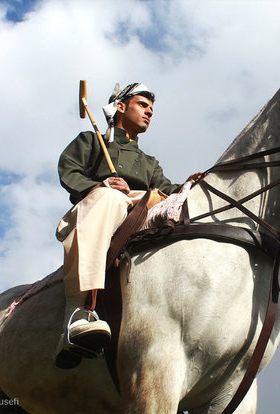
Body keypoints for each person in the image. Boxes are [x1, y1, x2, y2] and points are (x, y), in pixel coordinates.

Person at [55, 82, 202, 365]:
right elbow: (69, 171)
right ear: (120, 107)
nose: (149, 113)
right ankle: (77, 314)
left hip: (141, 203)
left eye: (152, 109)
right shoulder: (91, 140)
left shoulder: (149, 161)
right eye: (142, 105)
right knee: (109, 199)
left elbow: (165, 188)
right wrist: (100, 184)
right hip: (102, 204)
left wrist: (192, 184)